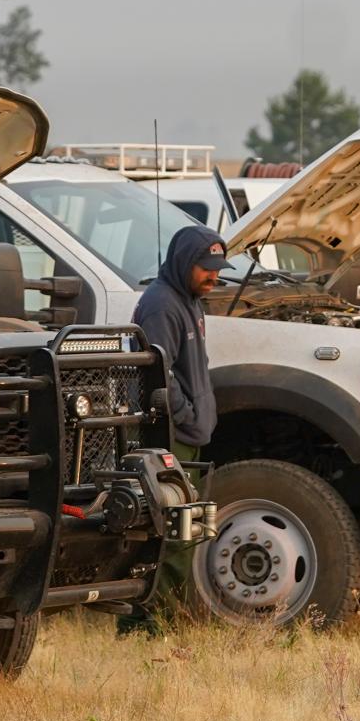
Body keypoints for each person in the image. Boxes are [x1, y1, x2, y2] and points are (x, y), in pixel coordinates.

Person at [129, 224, 226, 624]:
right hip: (172, 439)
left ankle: (163, 619)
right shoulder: (161, 305)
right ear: (186, 262)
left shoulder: (190, 301)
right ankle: (150, 623)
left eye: (218, 268)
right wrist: (185, 416)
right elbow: (157, 375)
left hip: (189, 435)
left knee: (186, 532)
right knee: (172, 535)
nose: (214, 276)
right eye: (206, 267)